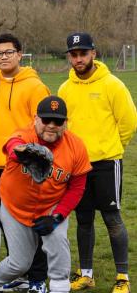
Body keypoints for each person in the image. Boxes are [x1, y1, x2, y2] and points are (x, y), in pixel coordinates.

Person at [0, 96, 91, 293]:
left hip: (51, 205)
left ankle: (60, 287)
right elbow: (12, 144)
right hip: (15, 206)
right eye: (46, 120)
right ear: (35, 119)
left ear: (65, 123)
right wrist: (22, 152)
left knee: (58, 241)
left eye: (58, 121)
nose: (51, 125)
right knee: (20, 263)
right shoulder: (24, 135)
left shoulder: (76, 146)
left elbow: (77, 188)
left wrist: (58, 216)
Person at [58, 32, 137, 292]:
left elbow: (128, 122)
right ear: (69, 57)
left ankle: (122, 277)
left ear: (94, 53)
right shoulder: (65, 88)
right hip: (78, 167)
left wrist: (113, 148)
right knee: (83, 219)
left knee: (112, 218)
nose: (79, 58)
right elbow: (64, 128)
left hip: (106, 163)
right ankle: (86, 274)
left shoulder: (112, 84)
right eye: (74, 54)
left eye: (83, 53)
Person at [0, 33, 50, 290]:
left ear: (20, 54)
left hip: (26, 168)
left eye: (9, 52)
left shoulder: (35, 86)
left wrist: (30, 157)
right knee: (7, 223)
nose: (4, 57)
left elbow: (43, 128)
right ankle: (18, 271)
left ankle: (38, 278)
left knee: (32, 224)